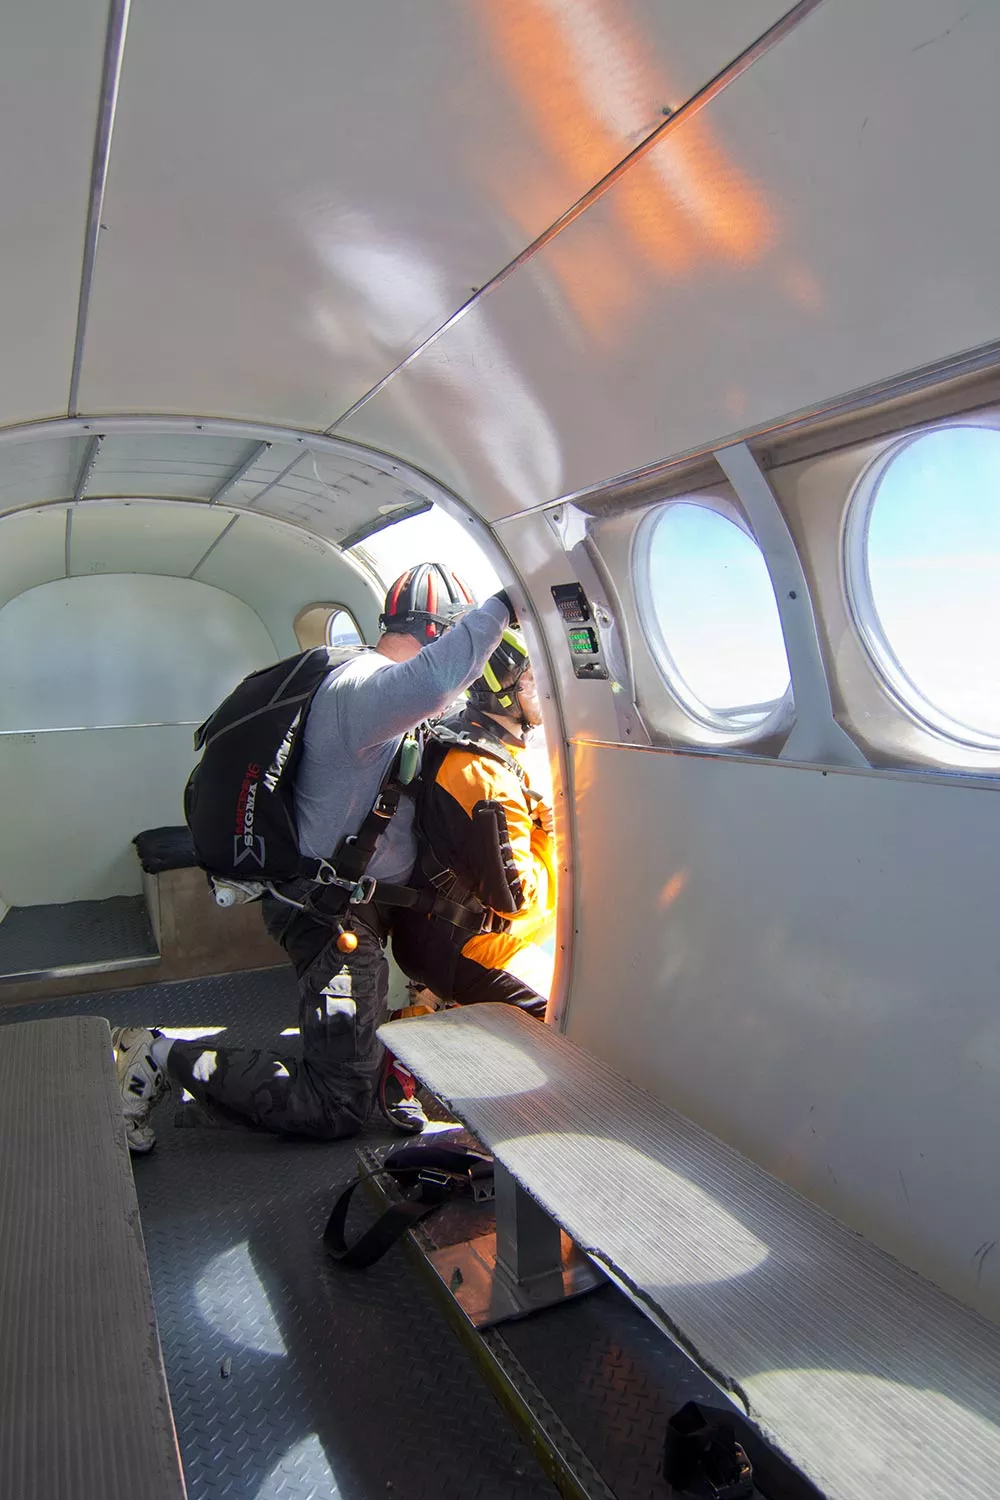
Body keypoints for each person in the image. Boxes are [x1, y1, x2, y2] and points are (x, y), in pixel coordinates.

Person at [111, 563, 514, 1153]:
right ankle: (157, 1056)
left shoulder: (369, 693)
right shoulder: (367, 687)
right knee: (334, 1104)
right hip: (327, 918)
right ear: (440, 633)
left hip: (342, 906)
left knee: (357, 1041)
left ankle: (375, 1078)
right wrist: (506, 605)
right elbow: (434, 685)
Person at [390, 628, 556, 1021]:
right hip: (463, 945)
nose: (543, 689)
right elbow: (518, 901)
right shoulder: (485, 775)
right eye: (531, 679)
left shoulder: (467, 733)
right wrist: (548, 835)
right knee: (568, 1014)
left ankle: (429, 1008)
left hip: (433, 926)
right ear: (501, 694)